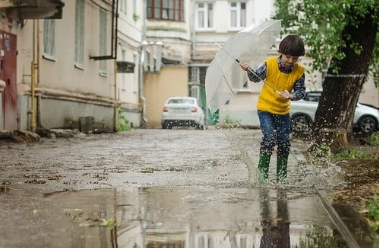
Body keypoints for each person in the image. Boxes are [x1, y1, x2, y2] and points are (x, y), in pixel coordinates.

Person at [239, 35, 306, 183]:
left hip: (283, 111)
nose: (291, 61)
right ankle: (262, 177)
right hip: (266, 109)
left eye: (295, 58)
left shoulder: (299, 71)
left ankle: (281, 178)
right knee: (269, 138)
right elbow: (255, 78)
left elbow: (301, 92)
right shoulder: (269, 64)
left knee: (284, 142)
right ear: (280, 52)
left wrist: (291, 95)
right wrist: (249, 70)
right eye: (288, 57)